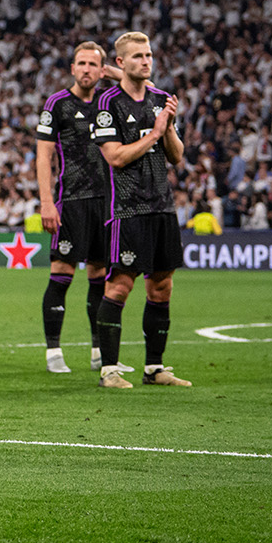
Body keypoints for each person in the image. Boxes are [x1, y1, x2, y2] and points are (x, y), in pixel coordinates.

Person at [92, 31, 188, 389]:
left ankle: (155, 368)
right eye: (137, 56)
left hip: (162, 206)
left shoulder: (161, 100)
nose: (145, 61)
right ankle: (110, 370)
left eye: (148, 55)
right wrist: (153, 133)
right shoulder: (108, 103)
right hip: (128, 209)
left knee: (161, 287)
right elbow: (115, 157)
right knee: (119, 287)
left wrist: (167, 130)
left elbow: (176, 156)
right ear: (120, 63)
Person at [33, 42, 116, 375]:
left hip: (107, 204)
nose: (86, 69)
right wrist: (46, 201)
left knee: (100, 277)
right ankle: (53, 351)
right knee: (62, 274)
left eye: (93, 65)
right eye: (81, 63)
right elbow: (43, 156)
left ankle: (99, 351)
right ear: (72, 67)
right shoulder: (57, 104)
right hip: (71, 203)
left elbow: (151, 92)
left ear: (102, 70)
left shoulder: (110, 101)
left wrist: (115, 72)